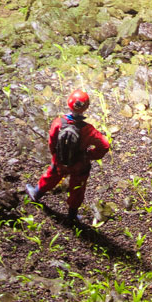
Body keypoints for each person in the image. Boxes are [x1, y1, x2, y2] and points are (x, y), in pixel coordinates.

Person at [25, 89, 110, 224]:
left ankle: (36, 193)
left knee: (51, 176)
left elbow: (52, 142)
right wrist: (89, 155)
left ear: (68, 103)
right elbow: (104, 145)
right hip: (79, 165)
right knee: (78, 188)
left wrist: (56, 155)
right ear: (86, 108)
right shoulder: (88, 130)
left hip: (60, 161)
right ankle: (72, 215)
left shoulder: (58, 123)